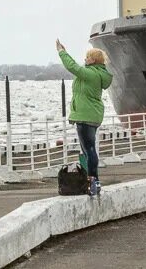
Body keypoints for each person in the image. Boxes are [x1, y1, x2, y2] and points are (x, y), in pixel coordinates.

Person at [56, 39, 112, 196]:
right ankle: (93, 181)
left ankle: (93, 181)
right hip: (91, 114)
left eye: (88, 57)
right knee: (88, 150)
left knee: (89, 149)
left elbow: (72, 67)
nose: (85, 59)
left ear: (93, 60)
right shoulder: (97, 74)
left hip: (85, 115)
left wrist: (61, 51)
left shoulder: (91, 74)